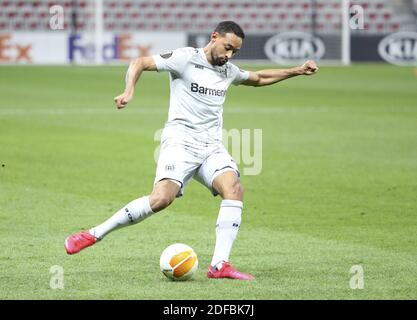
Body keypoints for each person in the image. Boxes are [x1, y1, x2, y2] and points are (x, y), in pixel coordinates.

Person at [64, 21, 318, 280]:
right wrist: (129, 91)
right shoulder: (185, 58)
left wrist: (298, 70)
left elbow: (260, 78)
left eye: (235, 52)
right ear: (214, 37)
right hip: (180, 143)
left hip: (211, 147)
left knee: (234, 189)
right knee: (161, 199)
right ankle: (93, 234)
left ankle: (219, 265)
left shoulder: (227, 71)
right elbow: (139, 62)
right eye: (227, 48)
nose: (229, 56)